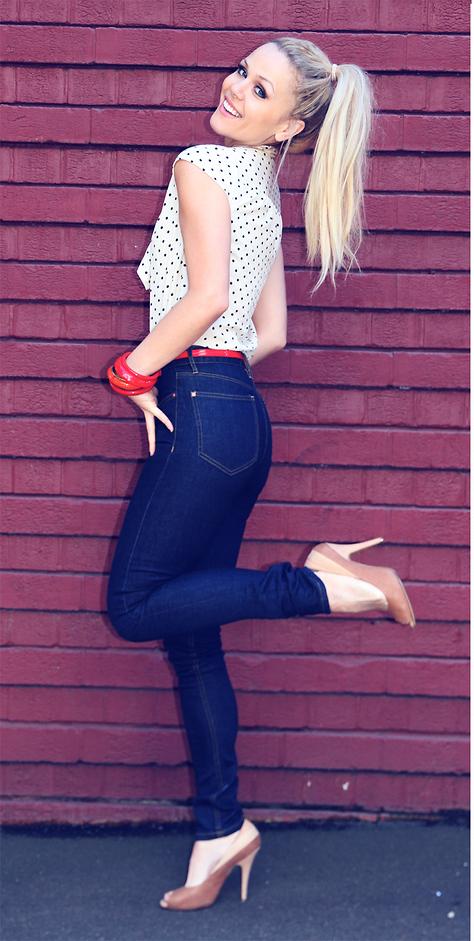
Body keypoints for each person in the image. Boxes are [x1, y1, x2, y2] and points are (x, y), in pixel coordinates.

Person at [105, 38, 416, 912]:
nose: (236, 88)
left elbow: (207, 301)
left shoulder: (202, 164)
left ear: (289, 125)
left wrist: (131, 372)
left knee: (134, 606)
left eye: (261, 88)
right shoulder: (264, 193)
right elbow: (266, 332)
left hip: (203, 410)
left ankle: (317, 584)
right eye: (243, 72)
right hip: (240, 413)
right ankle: (222, 830)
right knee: (192, 634)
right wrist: (201, 378)